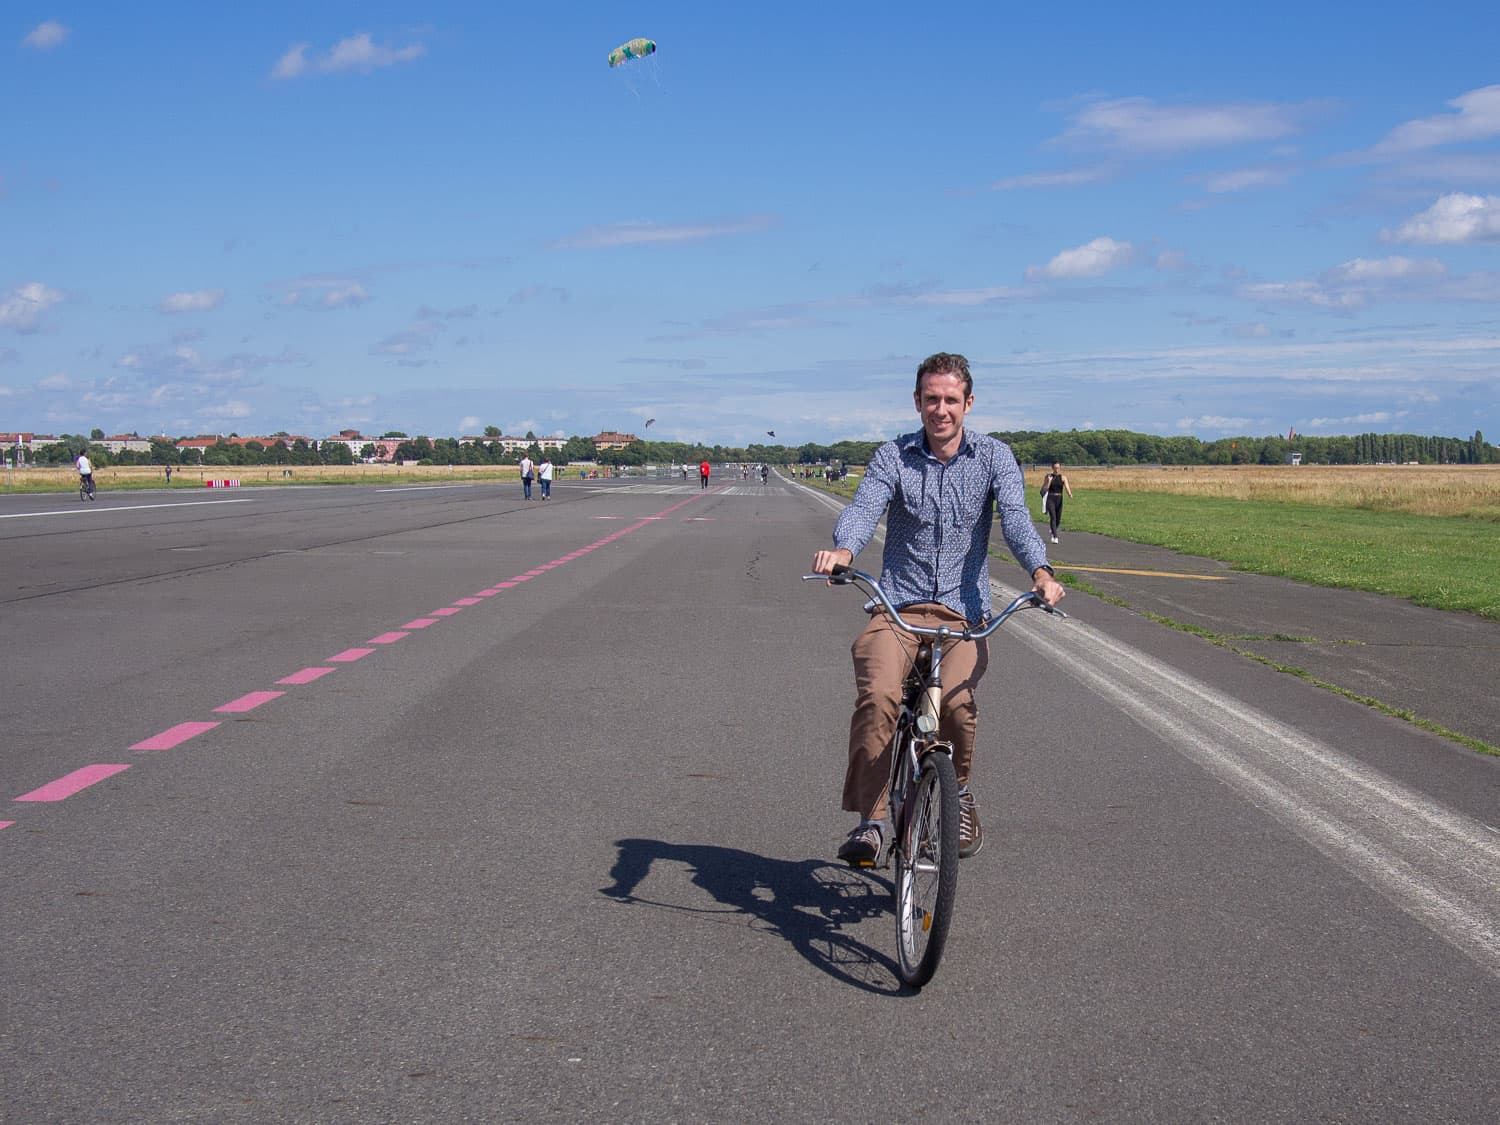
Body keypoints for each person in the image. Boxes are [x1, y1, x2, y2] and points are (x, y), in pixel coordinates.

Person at [811, 352, 1064, 865]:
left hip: (962, 618)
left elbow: (1015, 519)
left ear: (969, 403)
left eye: (951, 399)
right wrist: (843, 550)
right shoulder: (892, 458)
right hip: (897, 608)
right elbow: (864, 507)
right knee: (880, 694)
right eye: (932, 399)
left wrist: (1041, 571)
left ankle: (959, 792)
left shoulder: (993, 458)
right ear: (917, 402)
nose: (941, 409)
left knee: (955, 704)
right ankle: (873, 821)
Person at [1040, 461, 1073, 544]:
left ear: (1060, 468)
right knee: (1053, 517)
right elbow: (1044, 489)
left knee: (1058, 519)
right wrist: (1049, 481)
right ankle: (1055, 536)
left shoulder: (1063, 477)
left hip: (1059, 498)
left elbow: (1067, 486)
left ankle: (1053, 529)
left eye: (1058, 468)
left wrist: (1069, 494)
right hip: (1051, 498)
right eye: (1055, 468)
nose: (1056, 470)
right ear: (1052, 468)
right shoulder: (1048, 476)